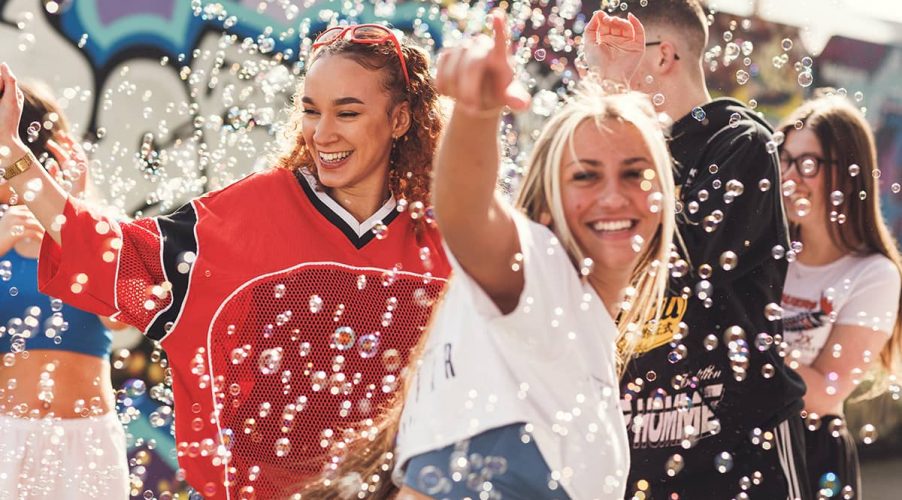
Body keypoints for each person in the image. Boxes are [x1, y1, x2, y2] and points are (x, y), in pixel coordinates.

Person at [0, 22, 450, 499]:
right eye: (310, 110)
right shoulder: (250, 214)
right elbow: (114, 253)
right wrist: (12, 153)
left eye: (348, 112)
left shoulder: (445, 241)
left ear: (401, 119)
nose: (322, 132)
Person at [392, 12, 675, 499]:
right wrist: (478, 112)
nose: (613, 196)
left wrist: (612, 85)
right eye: (585, 177)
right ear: (545, 207)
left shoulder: (579, 319)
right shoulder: (539, 275)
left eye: (635, 174)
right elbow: (467, 218)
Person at [583, 3, 810, 499]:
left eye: (617, 50)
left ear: (663, 56)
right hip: (639, 447)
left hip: (737, 447)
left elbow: (680, 249)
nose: (602, 69)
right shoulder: (618, 150)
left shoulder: (741, 141)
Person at [0, 83, 129, 500]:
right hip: (7, 437)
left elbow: (119, 316)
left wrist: (78, 216)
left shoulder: (97, 225)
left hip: (88, 440)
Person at [777, 91, 901, 499]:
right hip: (747, 442)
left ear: (847, 174)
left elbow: (823, 393)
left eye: (808, 163)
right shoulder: (766, 254)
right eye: (785, 159)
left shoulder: (873, 273)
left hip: (810, 453)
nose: (790, 176)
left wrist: (748, 336)